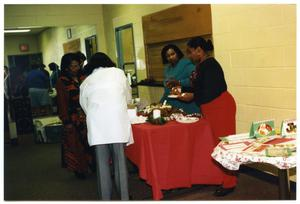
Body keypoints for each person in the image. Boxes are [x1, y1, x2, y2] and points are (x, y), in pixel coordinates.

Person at [177, 37, 237, 196]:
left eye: (190, 52)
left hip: (220, 107)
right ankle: (223, 178)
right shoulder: (201, 65)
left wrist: (192, 96)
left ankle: (230, 183)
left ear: (199, 50)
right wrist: (181, 87)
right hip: (211, 108)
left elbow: (211, 91)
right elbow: (199, 85)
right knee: (216, 145)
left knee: (224, 144)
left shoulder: (211, 65)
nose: (189, 56)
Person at [79, 52, 133, 200]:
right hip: (117, 124)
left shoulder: (86, 81)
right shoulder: (119, 73)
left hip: (98, 126)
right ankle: (124, 198)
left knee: (102, 166)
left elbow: (84, 106)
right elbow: (128, 97)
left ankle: (105, 199)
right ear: (108, 62)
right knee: (120, 164)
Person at [56, 53, 94, 179]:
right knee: (76, 145)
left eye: (78, 65)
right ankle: (80, 169)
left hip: (88, 115)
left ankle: (92, 166)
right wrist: (66, 120)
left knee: (90, 143)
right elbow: (62, 102)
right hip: (73, 117)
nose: (77, 68)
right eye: (73, 66)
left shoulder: (84, 77)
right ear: (66, 67)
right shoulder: (62, 81)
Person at [159, 44, 199, 114]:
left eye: (173, 54)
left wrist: (179, 82)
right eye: (168, 56)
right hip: (171, 105)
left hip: (186, 104)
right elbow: (167, 91)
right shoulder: (167, 69)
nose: (171, 57)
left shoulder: (187, 65)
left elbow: (196, 80)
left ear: (177, 53)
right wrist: (160, 103)